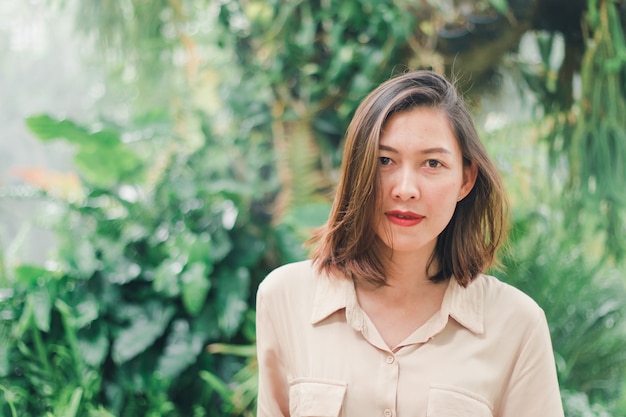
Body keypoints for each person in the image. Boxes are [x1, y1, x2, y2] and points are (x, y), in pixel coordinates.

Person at [255, 70, 564, 417]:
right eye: (385, 160)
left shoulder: (516, 324)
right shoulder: (286, 298)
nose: (405, 188)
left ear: (466, 179)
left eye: (432, 163)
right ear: (358, 170)